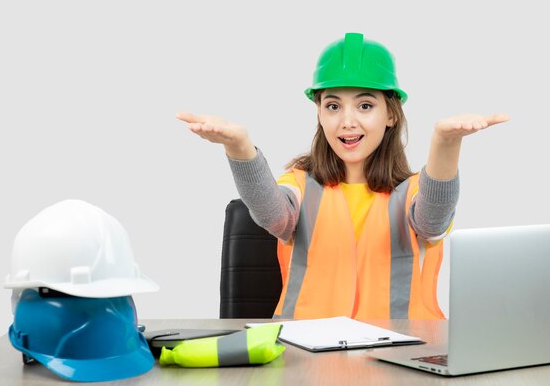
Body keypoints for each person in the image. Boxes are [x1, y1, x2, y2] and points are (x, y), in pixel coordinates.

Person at [177, 32, 509, 320]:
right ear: (319, 113)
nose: (347, 121)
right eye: (333, 106)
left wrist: (445, 143)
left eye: (365, 106)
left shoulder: (416, 192)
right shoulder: (299, 184)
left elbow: (432, 222)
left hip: (402, 358)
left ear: (391, 114)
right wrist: (239, 148)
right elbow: (272, 214)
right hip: (306, 358)